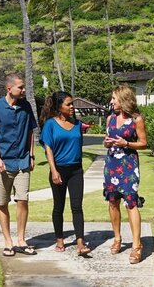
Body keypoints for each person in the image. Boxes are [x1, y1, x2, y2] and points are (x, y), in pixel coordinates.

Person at [0, 73, 37, 257]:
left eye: (23, 87)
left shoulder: (26, 106)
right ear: (9, 89)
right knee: (2, 202)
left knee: (22, 200)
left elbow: (30, 131)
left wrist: (31, 154)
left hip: (22, 161)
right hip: (2, 163)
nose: (23, 90)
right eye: (20, 87)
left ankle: (21, 240)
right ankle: (8, 242)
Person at [39, 91, 92, 256]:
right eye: (68, 104)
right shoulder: (50, 124)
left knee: (77, 207)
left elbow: (78, 145)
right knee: (58, 206)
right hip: (59, 170)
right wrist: (54, 171)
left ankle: (80, 243)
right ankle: (60, 239)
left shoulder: (77, 124)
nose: (72, 107)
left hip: (76, 169)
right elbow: (48, 150)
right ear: (58, 106)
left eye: (72, 103)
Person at [103, 85, 148, 264]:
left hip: (129, 165)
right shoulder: (110, 119)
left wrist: (126, 143)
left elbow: (144, 143)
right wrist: (107, 143)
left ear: (123, 99)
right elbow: (107, 141)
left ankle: (137, 246)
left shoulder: (136, 119)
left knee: (131, 203)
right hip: (111, 165)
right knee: (113, 202)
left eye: (114, 98)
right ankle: (117, 238)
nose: (111, 102)